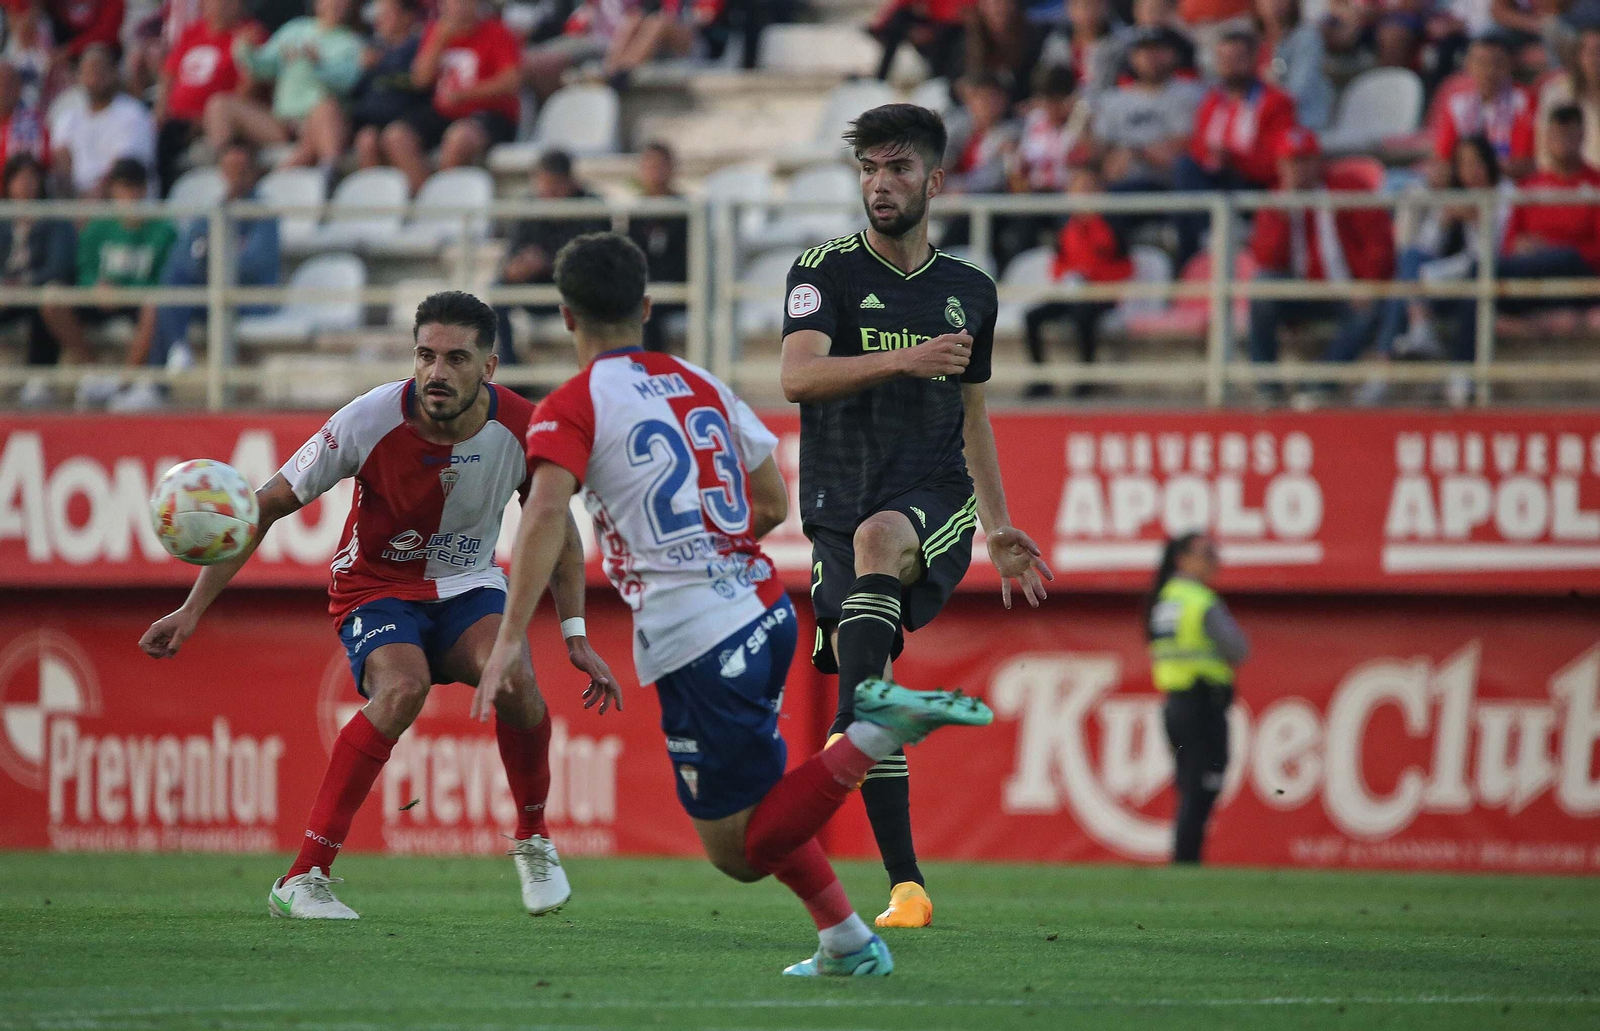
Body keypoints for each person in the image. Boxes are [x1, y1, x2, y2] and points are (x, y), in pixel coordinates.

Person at [479, 230, 997, 977]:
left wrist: (507, 641)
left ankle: (875, 732)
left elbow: (543, 517)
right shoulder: (700, 380)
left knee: (741, 851)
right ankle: (848, 941)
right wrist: (714, 542)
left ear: (565, 316)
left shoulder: (572, 403)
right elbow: (771, 499)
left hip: (697, 634)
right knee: (755, 816)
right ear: (648, 307)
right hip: (762, 607)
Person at [138, 290, 618, 920]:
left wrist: (577, 634)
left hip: (468, 584)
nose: (436, 373)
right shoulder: (367, 419)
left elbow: (556, 525)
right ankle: (304, 878)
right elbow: (264, 506)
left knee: (519, 681)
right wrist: (192, 610)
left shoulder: (527, 426)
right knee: (401, 688)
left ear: (489, 368)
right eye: (425, 355)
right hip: (376, 586)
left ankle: (532, 839)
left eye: (455, 358)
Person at [779, 103, 1053, 927]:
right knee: (868, 689)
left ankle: (860, 726)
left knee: (880, 540)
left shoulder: (969, 291)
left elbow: (973, 413)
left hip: (929, 497)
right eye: (868, 168)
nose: (879, 184)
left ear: (934, 180)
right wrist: (907, 357)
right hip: (833, 501)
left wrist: (998, 524)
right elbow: (797, 378)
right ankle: (906, 886)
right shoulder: (822, 270)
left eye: (897, 168)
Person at [1437, 103, 1600, 403]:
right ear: (1547, 139)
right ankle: (1462, 377)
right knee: (1482, 274)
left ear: (1582, 138)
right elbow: (1511, 243)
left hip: (1579, 277)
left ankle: (1461, 372)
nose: (1562, 143)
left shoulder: (1595, 185)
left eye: (1570, 136)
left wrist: (1550, 250)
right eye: (1556, 136)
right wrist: (1524, 248)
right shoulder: (1530, 187)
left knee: (1558, 257)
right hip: (1534, 279)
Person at [109, 139, 281, 410]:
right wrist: (208, 262)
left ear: (253, 172)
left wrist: (208, 262)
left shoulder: (263, 213)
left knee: (171, 293)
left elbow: (252, 265)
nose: (235, 178)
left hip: (250, 298)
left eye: (241, 170)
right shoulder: (215, 209)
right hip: (212, 292)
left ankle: (163, 375)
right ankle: (174, 355)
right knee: (172, 283)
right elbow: (185, 252)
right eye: (229, 170)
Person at [1245, 129, 1394, 392]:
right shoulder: (1275, 201)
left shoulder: (1349, 188)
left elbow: (1379, 243)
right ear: (1280, 165)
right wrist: (1284, 214)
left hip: (1349, 288)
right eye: (1291, 162)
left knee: (1369, 311)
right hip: (1305, 289)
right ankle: (1267, 387)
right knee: (1261, 289)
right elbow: (1267, 258)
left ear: (1318, 161)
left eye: (1305, 160)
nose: (1298, 170)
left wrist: (1369, 283)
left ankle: (1318, 384)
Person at [1368, 134, 1513, 372]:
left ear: (1489, 162)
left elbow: (1494, 255)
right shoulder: (1457, 195)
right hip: (1454, 279)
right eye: (1463, 164)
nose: (1471, 171)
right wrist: (1444, 219)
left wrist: (1476, 219)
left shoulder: (1506, 193)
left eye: (1476, 162)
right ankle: (1415, 334)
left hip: (1487, 277)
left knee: (1408, 284)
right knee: (1410, 262)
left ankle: (1385, 369)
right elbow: (1426, 248)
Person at [1146, 531, 1248, 865]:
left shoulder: (1165, 599)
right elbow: (1237, 649)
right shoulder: (1199, 600)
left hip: (1175, 704)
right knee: (1203, 784)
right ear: (1184, 558)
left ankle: (1185, 859)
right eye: (1207, 554)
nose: (1215, 561)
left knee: (1190, 783)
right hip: (1203, 703)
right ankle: (1186, 860)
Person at [46, 158, 173, 407]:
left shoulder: (163, 230)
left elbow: (165, 280)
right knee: (52, 298)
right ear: (113, 191)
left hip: (138, 300)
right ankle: (95, 372)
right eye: (122, 187)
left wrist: (124, 291)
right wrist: (95, 287)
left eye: (134, 187)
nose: (128, 195)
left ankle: (123, 384)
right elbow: (84, 271)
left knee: (156, 305)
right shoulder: (97, 228)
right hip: (101, 298)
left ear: (144, 190)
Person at [1173, 28, 1297, 266]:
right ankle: (1196, 251)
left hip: (1252, 181)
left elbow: (1280, 159)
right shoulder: (1212, 101)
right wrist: (1213, 156)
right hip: (1213, 177)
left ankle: (1200, 247)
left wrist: (1236, 159)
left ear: (1254, 60)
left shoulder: (1276, 102)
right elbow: (1198, 146)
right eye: (1224, 59)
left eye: (1237, 59)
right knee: (1184, 168)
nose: (1230, 66)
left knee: (1189, 182)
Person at [205, 0, 363, 170]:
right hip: (281, 123)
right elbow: (263, 67)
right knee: (219, 105)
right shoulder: (294, 29)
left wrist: (318, 66)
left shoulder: (352, 43)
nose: (335, 5)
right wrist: (246, 48)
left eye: (342, 2)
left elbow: (346, 81)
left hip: (318, 122)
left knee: (326, 108)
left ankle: (328, 175)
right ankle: (227, 168)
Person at [382, 0, 520, 193]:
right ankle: (429, 200)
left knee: (457, 139)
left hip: (490, 113)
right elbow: (420, 79)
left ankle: (447, 199)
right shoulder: (436, 32)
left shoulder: (498, 32)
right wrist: (439, 41)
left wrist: (465, 95)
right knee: (396, 136)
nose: (459, 6)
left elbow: (511, 82)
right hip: (445, 112)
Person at [1023, 166, 1132, 397]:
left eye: (1088, 188)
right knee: (1032, 316)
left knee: (1083, 314)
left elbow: (1125, 266)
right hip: (1072, 291)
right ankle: (1040, 379)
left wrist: (1094, 279)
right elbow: (1059, 261)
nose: (1082, 195)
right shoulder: (1066, 224)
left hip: (1101, 293)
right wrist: (1069, 277)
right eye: (1077, 188)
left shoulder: (1112, 223)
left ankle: (1086, 378)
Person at [493, 149, 608, 364]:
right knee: (498, 289)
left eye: (554, 184)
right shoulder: (528, 206)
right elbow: (512, 253)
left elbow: (593, 261)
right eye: (542, 183)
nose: (547, 191)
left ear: (569, 181)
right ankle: (510, 365)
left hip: (575, 292)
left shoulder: (592, 206)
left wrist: (548, 262)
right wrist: (515, 268)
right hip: (535, 286)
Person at [156, 0, 257, 193]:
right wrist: (160, 109)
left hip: (213, 122)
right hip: (177, 120)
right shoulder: (192, 32)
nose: (223, 5)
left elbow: (249, 85)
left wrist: (205, 121)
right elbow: (169, 73)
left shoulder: (248, 35)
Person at [0, 153, 76, 407]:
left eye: (32, 178)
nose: (26, 184)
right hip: (5, 295)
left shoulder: (54, 219)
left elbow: (58, 268)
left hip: (36, 290)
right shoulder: (2, 221)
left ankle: (39, 377)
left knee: (48, 299)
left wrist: (21, 285)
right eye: (20, 178)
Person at [1093, 26, 1205, 193]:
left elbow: (1187, 144)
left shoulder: (1193, 94)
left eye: (1158, 49)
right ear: (1132, 57)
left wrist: (1136, 152)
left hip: (1172, 184)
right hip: (1121, 183)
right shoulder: (1113, 99)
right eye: (1143, 50)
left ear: (1173, 54)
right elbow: (1099, 148)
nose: (1150, 57)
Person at [48, 44, 157, 197]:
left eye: (99, 70)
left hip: (120, 206)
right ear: (79, 77)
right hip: (77, 203)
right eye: (88, 71)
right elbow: (62, 163)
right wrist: (73, 203)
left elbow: (122, 170)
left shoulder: (133, 114)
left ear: (113, 73)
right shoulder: (68, 118)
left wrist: (90, 205)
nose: (94, 77)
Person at [1434, 33, 1536, 180]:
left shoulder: (1523, 101)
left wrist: (1481, 169)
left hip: (1510, 184)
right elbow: (1443, 157)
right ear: (1468, 64)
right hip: (1467, 185)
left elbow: (1522, 162)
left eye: (1497, 63)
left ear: (1511, 65)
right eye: (1481, 62)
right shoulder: (1457, 102)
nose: (1489, 71)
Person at [344, 0, 427, 173]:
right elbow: (355, 91)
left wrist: (381, 66)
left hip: (408, 117)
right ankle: (377, 196)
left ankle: (424, 196)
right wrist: (361, 70)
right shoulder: (372, 49)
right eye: (379, 14)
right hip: (372, 119)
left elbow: (418, 83)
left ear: (407, 17)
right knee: (366, 141)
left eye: (387, 13)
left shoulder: (419, 46)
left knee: (395, 137)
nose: (379, 20)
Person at [625, 140, 687, 353]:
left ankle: (653, 372)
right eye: (649, 166)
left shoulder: (686, 211)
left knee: (647, 311)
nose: (654, 173)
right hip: (644, 288)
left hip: (676, 289)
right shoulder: (635, 213)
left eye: (660, 166)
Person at [1255, 0, 1333, 131]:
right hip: (1258, 124)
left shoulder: (1307, 37)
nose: (1274, 2)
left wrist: (1270, 84)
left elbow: (1297, 92)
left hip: (1302, 122)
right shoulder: (1249, 39)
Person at [1537, 24, 1600, 169]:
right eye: (1591, 52)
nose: (1596, 59)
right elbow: (1544, 150)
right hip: (1569, 184)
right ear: (1578, 56)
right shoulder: (1556, 93)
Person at [0, 62, 49, 170]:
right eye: (1, 83)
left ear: (19, 88)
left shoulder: (34, 124)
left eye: (9, 84)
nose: (4, 89)